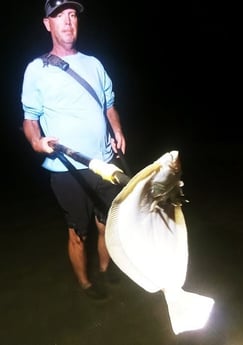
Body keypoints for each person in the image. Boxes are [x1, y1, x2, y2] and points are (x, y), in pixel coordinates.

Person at [21, 0, 127, 300]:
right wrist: (36, 141)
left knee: (108, 223)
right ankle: (85, 284)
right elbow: (29, 120)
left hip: (104, 162)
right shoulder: (36, 70)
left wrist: (117, 129)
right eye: (59, 16)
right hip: (66, 170)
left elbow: (109, 106)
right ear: (47, 24)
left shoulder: (94, 64)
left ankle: (107, 270)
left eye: (72, 15)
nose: (68, 21)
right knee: (78, 234)